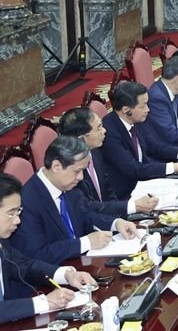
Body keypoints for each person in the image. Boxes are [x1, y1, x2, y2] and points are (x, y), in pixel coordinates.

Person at [11, 136, 139, 265]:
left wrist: (115, 223)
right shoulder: (27, 202)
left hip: (82, 264)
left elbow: (86, 216)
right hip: (55, 272)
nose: (81, 177)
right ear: (56, 166)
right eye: (77, 171)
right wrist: (86, 243)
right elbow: (37, 254)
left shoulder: (68, 187)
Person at [0, 173, 97, 324]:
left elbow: (24, 265)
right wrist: (44, 302)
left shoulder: (3, 241)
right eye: (11, 213)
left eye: (18, 212)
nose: (18, 220)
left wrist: (66, 275)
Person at [101, 81, 178, 199]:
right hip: (128, 193)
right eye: (143, 106)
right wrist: (176, 167)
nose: (148, 109)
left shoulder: (136, 119)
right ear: (126, 110)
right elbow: (134, 169)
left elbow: (156, 146)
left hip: (146, 180)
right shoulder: (109, 132)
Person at [57, 108, 158, 216]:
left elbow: (108, 191)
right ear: (82, 139)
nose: (104, 131)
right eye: (99, 128)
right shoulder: (70, 170)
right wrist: (132, 207)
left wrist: (120, 216)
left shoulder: (95, 152)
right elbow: (88, 207)